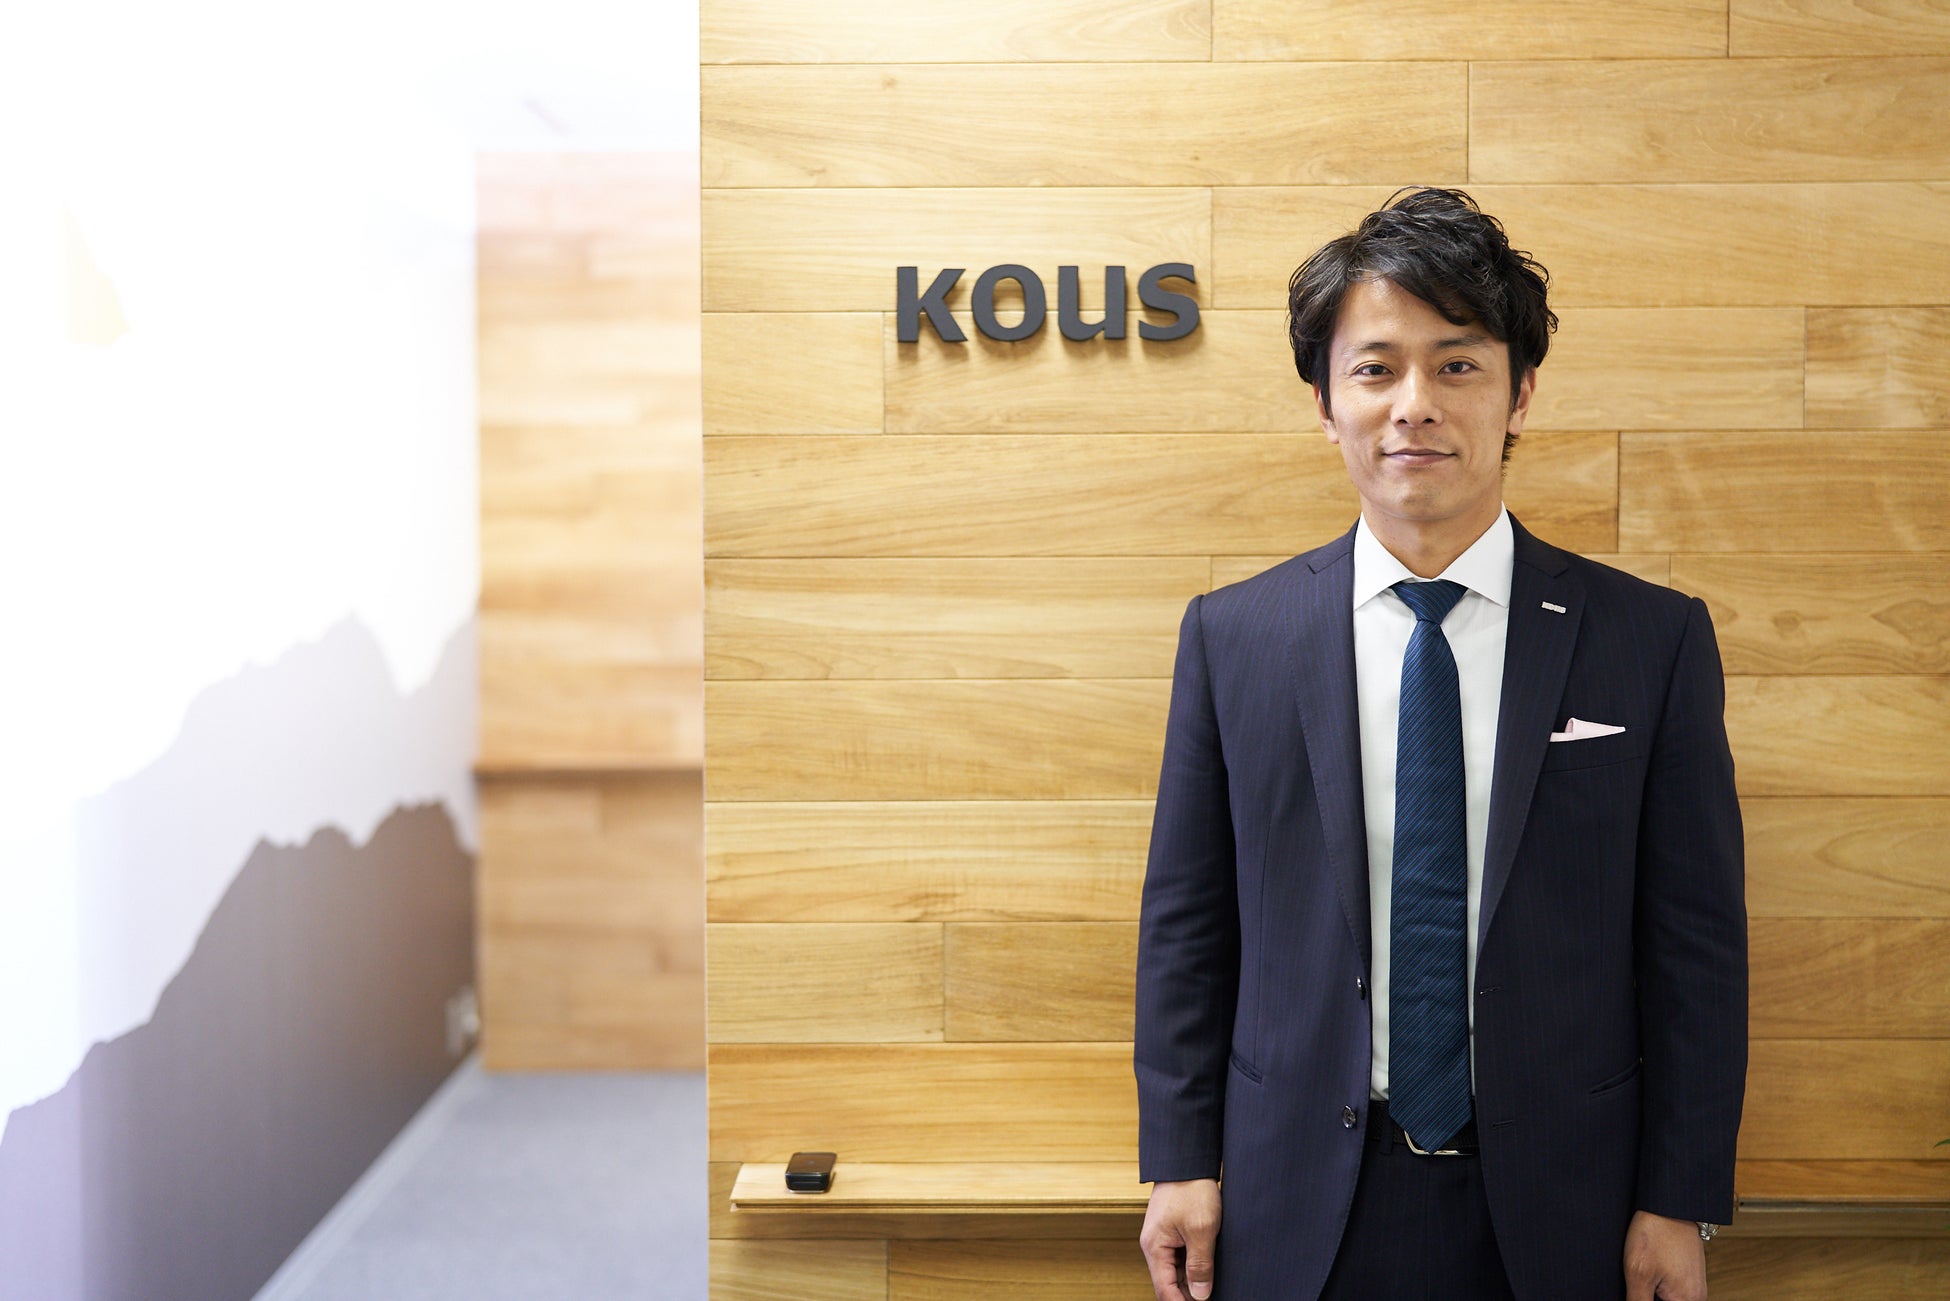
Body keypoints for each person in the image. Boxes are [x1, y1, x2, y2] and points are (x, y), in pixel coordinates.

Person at [1133, 188, 1747, 1301]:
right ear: (1326, 403)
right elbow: (1188, 923)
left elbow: (1695, 946)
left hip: (1571, 1201)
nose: (1414, 404)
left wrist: (1679, 1194)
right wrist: (1180, 1159)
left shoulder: (1649, 639)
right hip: (1293, 1193)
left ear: (1520, 394)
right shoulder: (1236, 637)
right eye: (1375, 368)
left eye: (1457, 365)